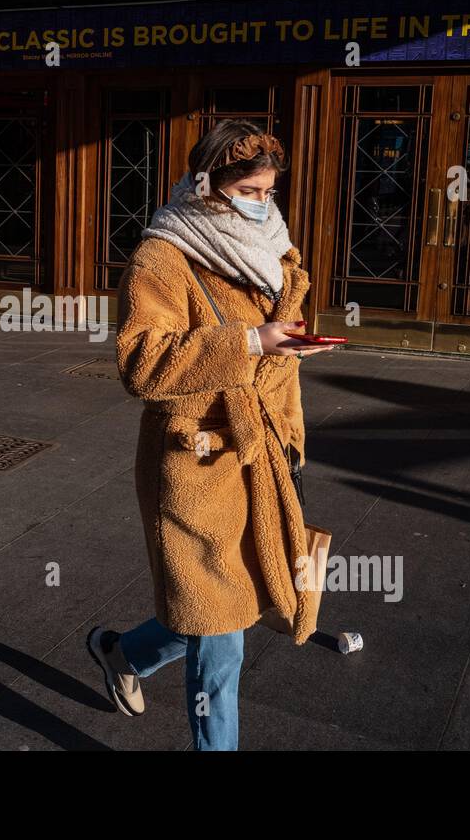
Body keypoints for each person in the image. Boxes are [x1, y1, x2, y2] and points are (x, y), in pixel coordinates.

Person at [86, 120, 336, 751]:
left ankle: (124, 655)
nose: (262, 205)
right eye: (250, 192)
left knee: (231, 605)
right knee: (222, 635)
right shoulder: (163, 255)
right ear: (209, 189)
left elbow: (278, 374)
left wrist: (294, 438)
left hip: (266, 454)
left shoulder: (272, 249)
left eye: (269, 192)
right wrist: (251, 341)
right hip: (195, 466)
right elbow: (142, 362)